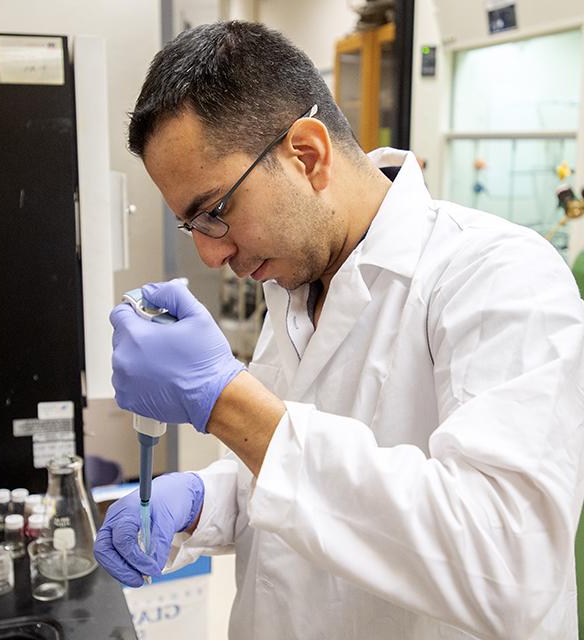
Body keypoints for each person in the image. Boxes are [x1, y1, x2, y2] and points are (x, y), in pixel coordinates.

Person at [93, 20, 584, 640]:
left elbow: (510, 565)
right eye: (195, 227)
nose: (211, 257)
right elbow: (293, 475)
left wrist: (226, 403)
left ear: (307, 154)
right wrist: (202, 498)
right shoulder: (294, 281)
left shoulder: (496, 275)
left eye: (214, 212)